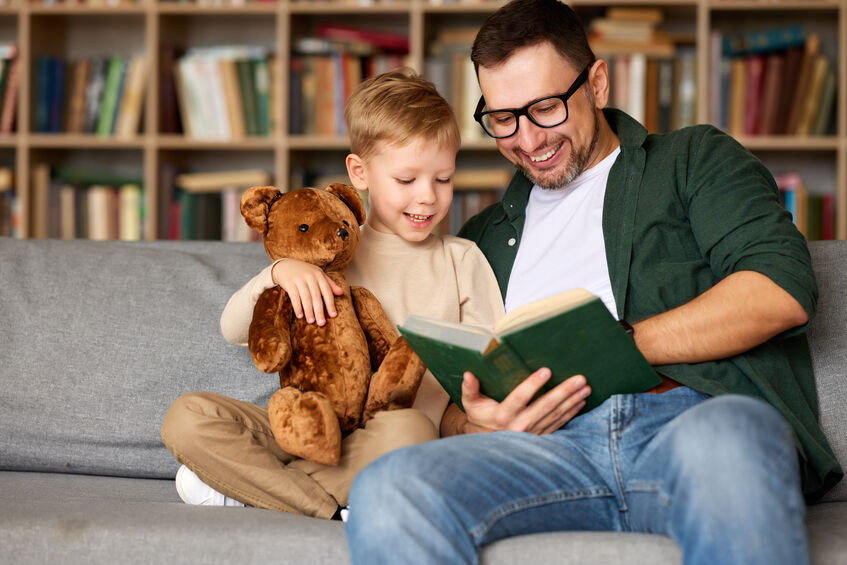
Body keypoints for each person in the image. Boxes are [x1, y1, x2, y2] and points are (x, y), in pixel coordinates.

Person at [344, 0, 843, 563]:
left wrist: (617, 347)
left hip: (691, 423)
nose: (527, 140)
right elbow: (458, 393)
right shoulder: (478, 238)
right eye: (503, 118)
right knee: (389, 488)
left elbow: (778, 291)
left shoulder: (692, 159)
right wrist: (475, 423)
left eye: (546, 108)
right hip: (541, 452)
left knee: (729, 443)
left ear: (598, 83)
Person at [159, 69, 505, 519]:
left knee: (412, 431)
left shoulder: (462, 260)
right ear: (359, 172)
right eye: (406, 180)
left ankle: (259, 492)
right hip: (302, 429)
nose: (428, 198)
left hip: (390, 440)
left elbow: (488, 362)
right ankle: (331, 503)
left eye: (443, 179)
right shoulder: (329, 250)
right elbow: (232, 328)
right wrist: (280, 272)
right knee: (187, 417)